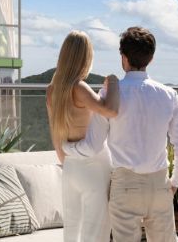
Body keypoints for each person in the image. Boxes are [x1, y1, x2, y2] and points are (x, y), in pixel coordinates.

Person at [64, 26, 178, 242]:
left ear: (123, 57)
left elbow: (93, 146)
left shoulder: (110, 93)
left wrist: (66, 147)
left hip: (125, 186)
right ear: (151, 59)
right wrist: (174, 182)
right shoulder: (169, 95)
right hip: (159, 184)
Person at [46, 31, 119, 242]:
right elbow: (110, 110)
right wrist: (113, 83)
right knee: (95, 231)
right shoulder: (79, 88)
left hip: (70, 166)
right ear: (86, 57)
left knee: (72, 230)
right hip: (93, 165)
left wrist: (69, 162)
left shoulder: (52, 90)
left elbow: (55, 135)